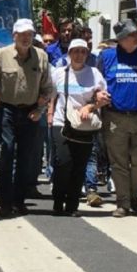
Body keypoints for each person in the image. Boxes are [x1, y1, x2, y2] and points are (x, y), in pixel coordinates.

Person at [0, 18, 54, 217]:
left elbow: (48, 88)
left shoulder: (41, 56)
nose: (26, 38)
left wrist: (40, 111)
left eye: (29, 34)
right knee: (7, 154)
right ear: (14, 36)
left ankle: (19, 201)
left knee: (26, 159)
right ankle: (5, 203)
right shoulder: (1, 55)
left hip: (31, 112)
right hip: (7, 110)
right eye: (22, 34)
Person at [98, 20, 137, 217]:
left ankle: (131, 193)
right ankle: (123, 202)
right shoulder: (106, 57)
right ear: (122, 39)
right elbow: (97, 83)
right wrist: (98, 95)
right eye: (133, 35)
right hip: (115, 117)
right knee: (118, 162)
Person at [50, 38, 108, 216]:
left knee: (79, 165)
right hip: (62, 123)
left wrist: (89, 107)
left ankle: (72, 205)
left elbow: (103, 98)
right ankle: (58, 201)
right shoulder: (59, 73)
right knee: (63, 163)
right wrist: (50, 115)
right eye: (76, 51)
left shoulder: (94, 74)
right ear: (69, 53)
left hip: (85, 125)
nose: (79, 55)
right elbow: (51, 96)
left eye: (83, 52)